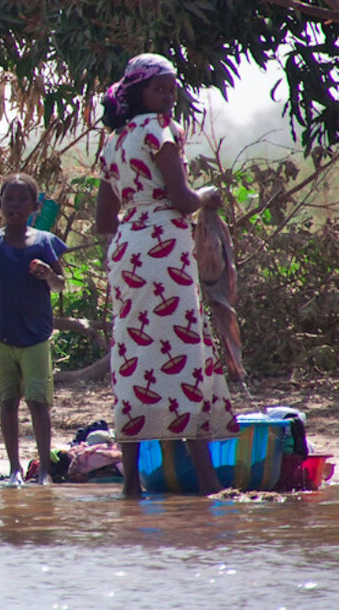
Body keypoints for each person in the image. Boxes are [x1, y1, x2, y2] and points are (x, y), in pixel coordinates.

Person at [93, 53, 239, 498]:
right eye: (161, 89)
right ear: (138, 92)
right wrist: (209, 194)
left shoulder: (113, 142)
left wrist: (128, 243)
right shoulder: (160, 131)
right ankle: (209, 483)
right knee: (185, 350)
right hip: (165, 251)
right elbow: (181, 199)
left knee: (134, 357)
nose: (169, 97)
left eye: (173, 89)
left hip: (127, 253)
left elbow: (103, 220)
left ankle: (132, 485)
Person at [0, 174, 67, 485]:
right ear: (0, 204)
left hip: (35, 336)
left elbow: (60, 286)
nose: (15, 205)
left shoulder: (44, 241)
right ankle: (15, 468)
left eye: (22, 199)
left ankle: (44, 469)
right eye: (9, 199)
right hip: (0, 336)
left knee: (38, 402)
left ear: (34, 205)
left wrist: (48, 275)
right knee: (7, 401)